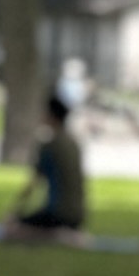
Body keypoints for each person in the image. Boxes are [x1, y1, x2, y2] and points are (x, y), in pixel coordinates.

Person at [13, 91, 88, 234]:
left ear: (51, 116)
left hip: (58, 213)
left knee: (13, 229)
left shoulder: (50, 146)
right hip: (78, 215)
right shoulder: (74, 144)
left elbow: (34, 182)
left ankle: (58, 236)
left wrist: (14, 212)